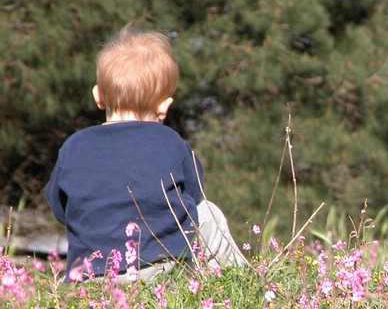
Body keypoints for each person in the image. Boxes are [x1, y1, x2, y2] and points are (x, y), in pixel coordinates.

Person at [45, 24, 246, 283]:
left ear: (98, 96)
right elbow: (194, 198)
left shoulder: (73, 145)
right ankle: (242, 283)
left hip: (89, 276)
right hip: (159, 273)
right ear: (165, 106)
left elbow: (60, 208)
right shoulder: (171, 142)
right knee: (209, 214)